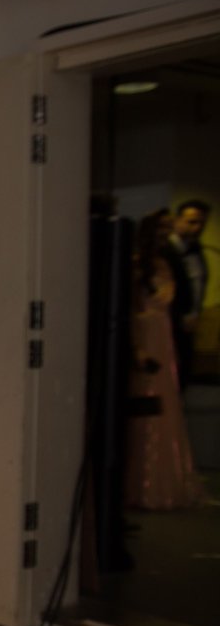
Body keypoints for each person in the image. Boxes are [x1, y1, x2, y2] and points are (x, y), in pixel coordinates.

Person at [126, 211, 203, 510]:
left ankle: (160, 478)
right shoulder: (137, 264)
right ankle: (139, 480)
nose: (165, 232)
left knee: (164, 405)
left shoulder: (167, 263)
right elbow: (131, 309)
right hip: (146, 337)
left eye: (167, 228)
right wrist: (136, 347)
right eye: (161, 227)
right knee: (144, 405)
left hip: (164, 338)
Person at [162, 199, 211, 388]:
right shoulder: (166, 251)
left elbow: (198, 285)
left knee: (183, 374)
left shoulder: (197, 251)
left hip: (189, 324)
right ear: (178, 221)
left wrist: (195, 313)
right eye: (192, 222)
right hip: (169, 323)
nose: (197, 228)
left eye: (201, 223)